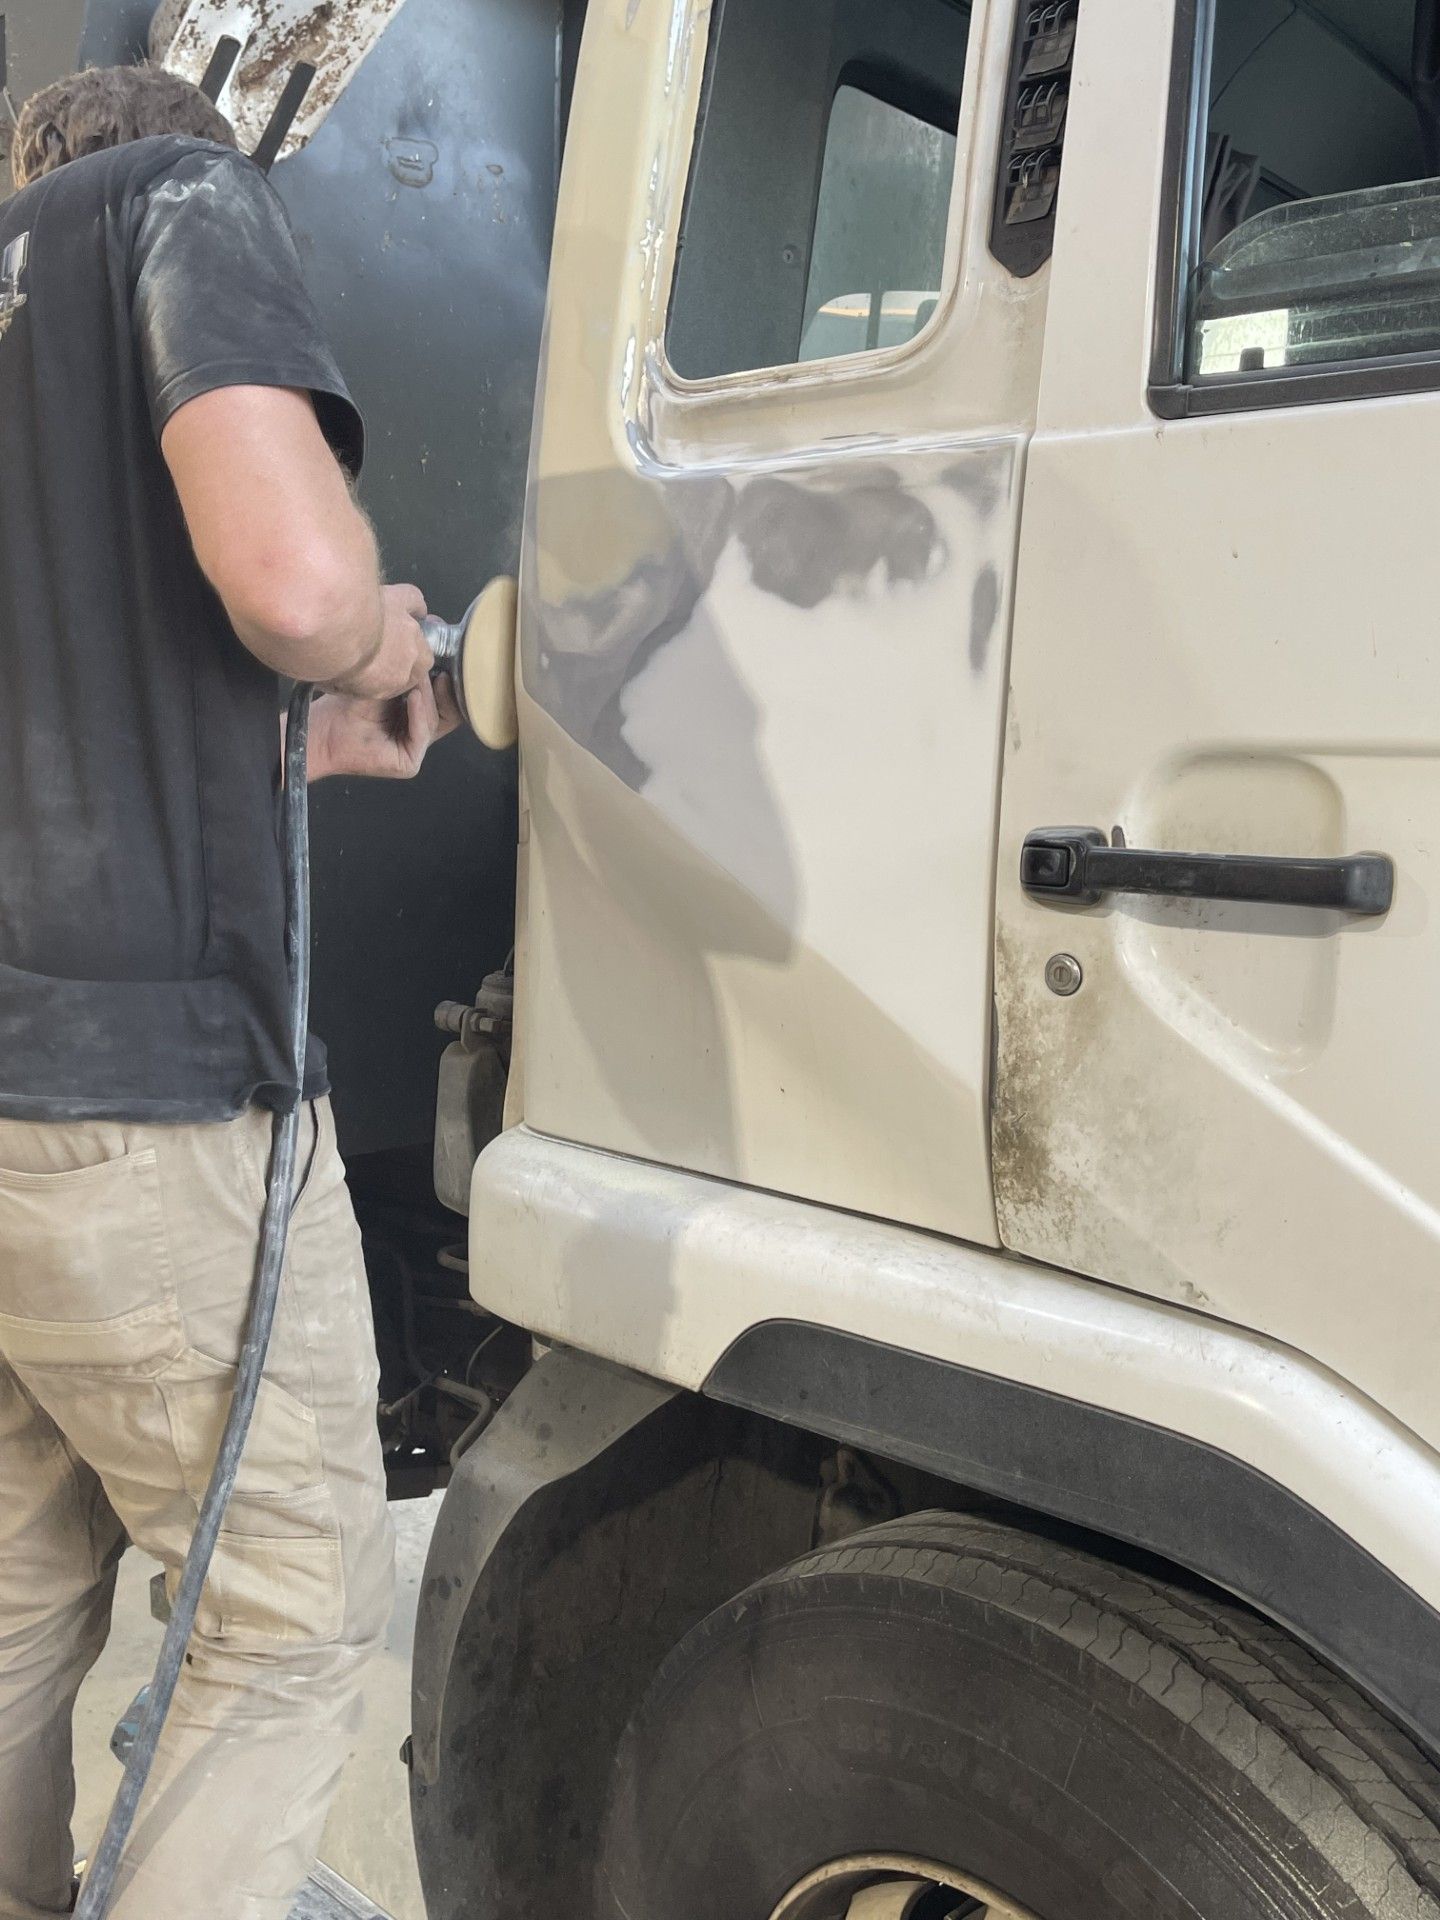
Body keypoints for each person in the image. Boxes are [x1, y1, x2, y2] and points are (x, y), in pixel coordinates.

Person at [0, 62, 458, 1920]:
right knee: (281, 1617)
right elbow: (287, 582)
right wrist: (382, 640)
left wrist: (289, 741)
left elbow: (74, 706)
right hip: (148, 1108)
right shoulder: (175, 204)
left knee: (14, 1587)